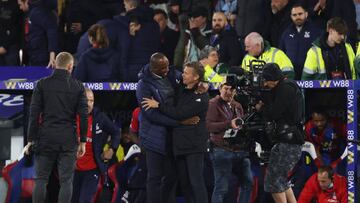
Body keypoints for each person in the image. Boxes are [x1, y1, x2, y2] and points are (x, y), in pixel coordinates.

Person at [23, 52, 88, 203]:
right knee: (66, 182)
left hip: (45, 138)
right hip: (68, 140)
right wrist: (83, 141)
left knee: (40, 180)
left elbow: (33, 114)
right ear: (70, 66)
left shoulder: (42, 84)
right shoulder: (78, 86)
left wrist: (30, 140)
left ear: (55, 65)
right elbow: (83, 116)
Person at [142, 61, 209, 203]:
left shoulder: (201, 97)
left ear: (196, 77)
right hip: (179, 146)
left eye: (186, 73)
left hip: (194, 147)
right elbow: (170, 70)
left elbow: (179, 113)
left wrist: (158, 105)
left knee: (196, 183)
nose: (182, 75)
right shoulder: (181, 89)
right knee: (185, 184)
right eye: (183, 72)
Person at [255, 63, 304, 203]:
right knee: (281, 180)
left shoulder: (285, 88)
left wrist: (261, 109)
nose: (264, 84)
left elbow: (274, 112)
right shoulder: (288, 85)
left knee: (273, 182)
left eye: (266, 81)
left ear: (272, 79)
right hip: (289, 141)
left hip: (288, 142)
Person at [206, 79, 253, 203]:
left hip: (238, 149)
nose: (228, 92)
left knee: (248, 183)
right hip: (220, 149)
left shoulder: (237, 106)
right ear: (220, 88)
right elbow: (209, 126)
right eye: (225, 88)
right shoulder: (213, 104)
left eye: (231, 89)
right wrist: (229, 124)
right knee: (221, 188)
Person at [71, 88, 120, 203]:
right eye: (86, 100)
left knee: (84, 200)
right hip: (72, 169)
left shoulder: (99, 117)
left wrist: (112, 149)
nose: (89, 104)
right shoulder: (70, 117)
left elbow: (116, 132)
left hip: (92, 169)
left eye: (91, 101)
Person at [279, 4, 322, 80]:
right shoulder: (286, 33)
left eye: (300, 14)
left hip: (310, 76)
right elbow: (281, 53)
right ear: (291, 17)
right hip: (292, 76)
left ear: (306, 14)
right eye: (294, 15)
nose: (297, 17)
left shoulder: (316, 31)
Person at [17, 0, 59, 67]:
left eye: (20, 5)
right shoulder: (30, 13)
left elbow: (51, 31)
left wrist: (52, 55)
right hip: (34, 55)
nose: (20, 8)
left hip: (42, 57)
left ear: (26, 1)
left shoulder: (38, 12)